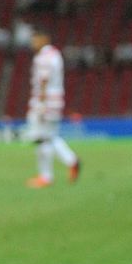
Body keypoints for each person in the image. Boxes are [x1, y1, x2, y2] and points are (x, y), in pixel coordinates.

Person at [24, 29, 80, 188]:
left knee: (41, 138)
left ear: (43, 39)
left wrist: (41, 104)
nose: (32, 43)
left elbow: (43, 81)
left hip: (45, 102)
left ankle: (46, 176)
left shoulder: (43, 57)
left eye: (34, 39)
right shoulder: (56, 54)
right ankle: (72, 160)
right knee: (50, 136)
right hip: (55, 100)